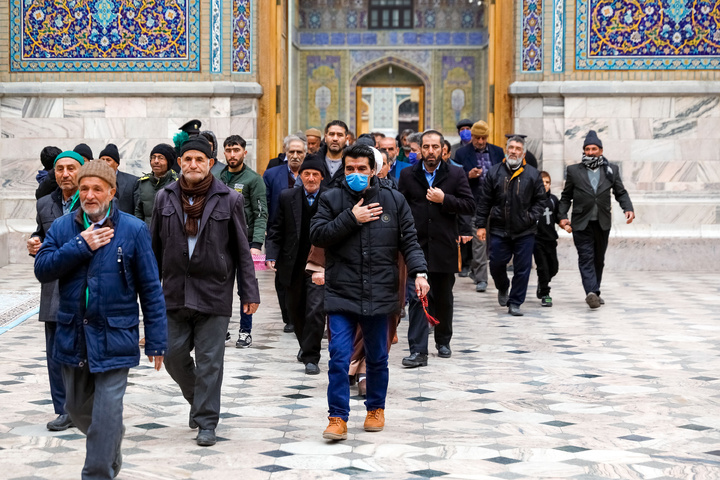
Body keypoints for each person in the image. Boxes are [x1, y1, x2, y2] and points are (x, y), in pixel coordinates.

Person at [34, 159, 167, 480]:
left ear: (111, 192)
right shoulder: (64, 227)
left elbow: (150, 288)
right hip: (73, 337)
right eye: (84, 189)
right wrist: (80, 245)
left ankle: (98, 471)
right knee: (78, 410)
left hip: (115, 337)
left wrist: (157, 339)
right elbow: (43, 268)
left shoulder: (133, 230)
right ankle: (110, 444)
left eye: (97, 189)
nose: (90, 195)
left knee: (106, 414)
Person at [310, 144, 429, 441]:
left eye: (362, 169)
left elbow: (410, 241)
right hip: (341, 291)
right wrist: (352, 218)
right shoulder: (330, 199)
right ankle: (337, 417)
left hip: (381, 291)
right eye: (349, 169)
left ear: (373, 170)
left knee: (377, 357)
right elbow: (317, 235)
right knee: (338, 357)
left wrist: (420, 272)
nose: (355, 174)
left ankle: (376, 408)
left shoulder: (394, 200)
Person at [151, 135, 260, 447]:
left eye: (200, 159)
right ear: (180, 164)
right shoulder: (164, 198)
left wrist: (248, 293)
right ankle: (199, 402)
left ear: (211, 163)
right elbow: (153, 250)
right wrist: (146, 292)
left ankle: (207, 422)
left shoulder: (229, 199)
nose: (193, 165)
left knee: (211, 360)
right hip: (173, 293)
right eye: (187, 160)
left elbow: (241, 251)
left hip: (214, 292)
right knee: (172, 355)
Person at [399, 130, 475, 365]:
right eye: (426, 147)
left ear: (443, 149)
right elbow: (400, 206)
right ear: (419, 149)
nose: (430, 151)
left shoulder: (455, 173)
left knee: (443, 298)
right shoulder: (407, 174)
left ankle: (443, 340)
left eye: (435, 147)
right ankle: (418, 349)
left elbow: (469, 204)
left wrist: (445, 200)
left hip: (444, 247)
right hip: (416, 246)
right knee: (417, 298)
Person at [27, 150, 85, 432]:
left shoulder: (92, 200)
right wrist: (35, 242)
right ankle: (63, 409)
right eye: (59, 169)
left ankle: (85, 405)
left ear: (82, 170)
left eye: (70, 168)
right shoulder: (45, 204)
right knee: (55, 354)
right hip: (53, 287)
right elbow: (40, 233)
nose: (64, 174)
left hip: (85, 286)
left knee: (84, 350)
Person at [558, 130, 634, 309]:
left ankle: (595, 291)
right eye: (587, 149)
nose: (590, 152)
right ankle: (590, 292)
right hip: (580, 222)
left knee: (598, 259)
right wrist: (561, 216)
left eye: (594, 149)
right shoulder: (574, 171)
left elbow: (620, 192)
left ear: (601, 150)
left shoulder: (611, 170)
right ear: (583, 151)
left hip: (602, 222)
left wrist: (628, 208)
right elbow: (566, 196)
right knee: (586, 257)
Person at [265, 158, 326, 374]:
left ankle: (312, 356)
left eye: (315, 174)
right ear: (300, 175)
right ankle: (305, 345)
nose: (310, 178)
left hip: (319, 265)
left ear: (322, 177)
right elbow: (276, 228)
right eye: (306, 173)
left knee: (316, 310)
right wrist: (271, 254)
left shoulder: (329, 199)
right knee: (296, 310)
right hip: (292, 264)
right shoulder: (287, 197)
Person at [475, 136, 546, 316]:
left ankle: (515, 302)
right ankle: (503, 286)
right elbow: (484, 201)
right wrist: (481, 225)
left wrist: (530, 217)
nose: (514, 151)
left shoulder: (533, 174)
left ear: (523, 153)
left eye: (518, 148)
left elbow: (540, 201)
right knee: (496, 264)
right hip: (499, 228)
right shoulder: (494, 172)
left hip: (525, 230)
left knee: (522, 268)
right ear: (506, 149)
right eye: (511, 147)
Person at [215, 134, 268, 348]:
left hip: (245, 242)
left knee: (246, 287)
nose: (232, 154)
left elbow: (261, 213)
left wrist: (256, 245)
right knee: (219, 286)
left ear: (244, 153)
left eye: (236, 150)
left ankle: (245, 331)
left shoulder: (254, 179)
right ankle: (221, 328)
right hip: (220, 241)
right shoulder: (217, 177)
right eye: (228, 150)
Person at [264, 135, 307, 334]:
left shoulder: (312, 174)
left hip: (306, 234)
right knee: (282, 278)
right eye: (292, 152)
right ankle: (288, 317)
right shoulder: (272, 175)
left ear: (305, 154)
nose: (295, 156)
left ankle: (304, 314)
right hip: (281, 232)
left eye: (300, 152)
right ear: (285, 153)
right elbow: (266, 204)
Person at [456, 120, 505, 293]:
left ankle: (478, 270)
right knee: (478, 241)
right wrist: (468, 175)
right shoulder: (462, 153)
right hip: (475, 202)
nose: (481, 141)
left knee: (495, 240)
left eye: (484, 138)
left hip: (496, 202)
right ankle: (482, 278)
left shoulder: (498, 152)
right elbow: (455, 177)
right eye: (478, 138)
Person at [134, 143, 179, 227]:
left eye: (161, 158)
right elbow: (139, 210)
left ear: (168, 162)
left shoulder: (177, 183)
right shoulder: (143, 182)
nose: (156, 161)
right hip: (147, 232)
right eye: (153, 157)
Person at [535, 171, 561, 307]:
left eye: (547, 182)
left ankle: (542, 283)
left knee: (553, 268)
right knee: (543, 267)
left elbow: (558, 216)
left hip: (550, 239)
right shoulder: (532, 199)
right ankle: (545, 293)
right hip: (537, 239)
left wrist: (565, 223)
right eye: (542, 182)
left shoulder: (553, 200)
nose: (544, 185)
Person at [98, 143, 139, 215]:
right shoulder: (94, 181)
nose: (104, 163)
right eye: (102, 160)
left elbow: (138, 209)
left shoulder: (132, 182)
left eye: (108, 160)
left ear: (117, 164)